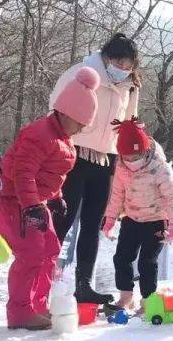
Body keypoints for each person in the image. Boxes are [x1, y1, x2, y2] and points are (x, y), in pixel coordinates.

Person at [0, 67, 100, 330]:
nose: (82, 128)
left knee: (51, 250)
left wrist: (56, 196)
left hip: (38, 204)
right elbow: (23, 174)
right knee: (31, 254)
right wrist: (31, 205)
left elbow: (52, 174)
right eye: (80, 122)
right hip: (16, 202)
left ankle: (38, 305)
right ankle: (20, 312)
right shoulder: (39, 134)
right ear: (65, 112)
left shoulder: (62, 138)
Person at [49, 34, 141, 306]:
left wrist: (127, 156)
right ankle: (43, 277)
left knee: (93, 223)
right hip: (75, 152)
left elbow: (129, 123)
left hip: (106, 158)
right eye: (118, 62)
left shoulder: (130, 86)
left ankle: (83, 284)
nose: (122, 69)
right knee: (62, 220)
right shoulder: (82, 73)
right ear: (106, 57)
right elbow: (55, 105)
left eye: (128, 65)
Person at [101, 119, 173, 312]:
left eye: (135, 156)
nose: (131, 162)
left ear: (145, 151)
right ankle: (126, 296)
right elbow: (117, 194)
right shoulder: (121, 166)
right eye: (127, 157)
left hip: (156, 222)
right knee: (122, 257)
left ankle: (148, 300)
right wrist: (110, 219)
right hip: (131, 219)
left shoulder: (160, 167)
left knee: (147, 262)